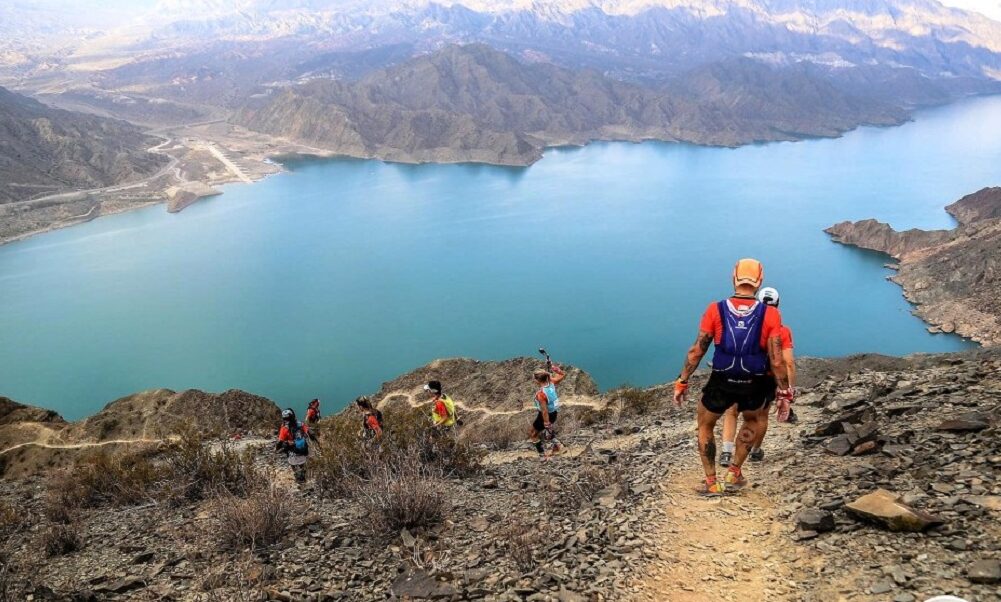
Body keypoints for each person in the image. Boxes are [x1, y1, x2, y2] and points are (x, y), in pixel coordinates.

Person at [672, 258, 793, 496]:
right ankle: (734, 473)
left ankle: (711, 482)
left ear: (733, 278)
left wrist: (682, 380)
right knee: (751, 421)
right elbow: (777, 360)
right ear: (759, 281)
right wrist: (784, 392)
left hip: (722, 380)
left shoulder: (715, 309)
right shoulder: (770, 315)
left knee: (705, 425)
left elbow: (698, 350)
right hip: (755, 382)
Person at [718, 286, 796, 466]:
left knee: (732, 411)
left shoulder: (743, 324)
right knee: (761, 417)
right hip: (765, 380)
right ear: (778, 304)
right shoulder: (782, 331)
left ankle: (727, 452)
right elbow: (788, 363)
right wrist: (788, 391)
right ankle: (755, 451)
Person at [529, 359, 566, 459]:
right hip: (554, 413)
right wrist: (554, 368)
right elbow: (562, 374)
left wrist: (546, 424)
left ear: (537, 380)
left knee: (533, 434)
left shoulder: (541, 394)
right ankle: (556, 447)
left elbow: (544, 410)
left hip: (545, 416)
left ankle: (543, 455)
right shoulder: (552, 383)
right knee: (546, 433)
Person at [276, 408, 317, 484]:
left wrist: (277, 449)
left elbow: (280, 441)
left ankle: (296, 474)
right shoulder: (300, 424)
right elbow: (308, 431)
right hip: (303, 450)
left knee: (292, 463)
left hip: (292, 454)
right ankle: (303, 475)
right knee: (302, 464)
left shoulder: (284, 428)